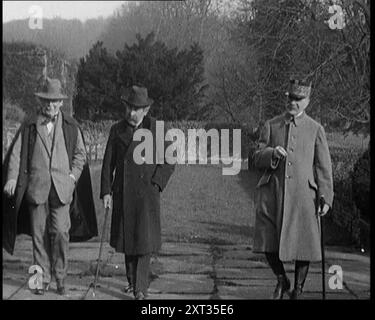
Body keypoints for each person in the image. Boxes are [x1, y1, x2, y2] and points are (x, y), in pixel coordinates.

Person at [3, 78, 98, 296]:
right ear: (40, 101)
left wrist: (73, 177)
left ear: (61, 103)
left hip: (62, 190)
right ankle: (40, 281)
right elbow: (16, 154)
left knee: (61, 233)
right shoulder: (29, 126)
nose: (50, 105)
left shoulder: (71, 126)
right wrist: (11, 178)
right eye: (46, 101)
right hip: (36, 190)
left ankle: (61, 278)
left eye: (54, 101)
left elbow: (80, 155)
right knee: (38, 237)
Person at [252, 78, 334, 299]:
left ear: (307, 101)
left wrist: (325, 197)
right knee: (266, 241)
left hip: (303, 197)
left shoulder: (316, 129)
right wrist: (271, 153)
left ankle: (297, 289)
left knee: (303, 244)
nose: (293, 103)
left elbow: (324, 166)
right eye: (290, 98)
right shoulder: (272, 124)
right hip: (273, 194)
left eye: (299, 99)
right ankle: (281, 278)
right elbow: (256, 157)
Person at [100, 85, 175, 300]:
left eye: (137, 109)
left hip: (146, 194)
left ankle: (141, 288)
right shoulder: (117, 130)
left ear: (146, 110)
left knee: (144, 241)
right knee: (128, 241)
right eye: (129, 108)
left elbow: (170, 160)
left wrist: (157, 183)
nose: (132, 113)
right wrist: (106, 191)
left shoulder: (157, 129)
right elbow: (108, 163)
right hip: (123, 193)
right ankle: (132, 281)